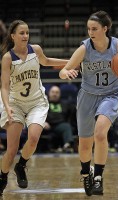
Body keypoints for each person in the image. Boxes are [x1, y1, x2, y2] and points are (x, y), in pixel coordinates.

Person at [59, 10, 118, 196]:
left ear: (105, 28)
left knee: (100, 133)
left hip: (112, 94)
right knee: (85, 144)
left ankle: (99, 177)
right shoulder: (85, 48)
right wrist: (66, 73)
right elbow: (63, 70)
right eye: (88, 29)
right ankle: (86, 173)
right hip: (87, 96)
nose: (90, 32)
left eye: (94, 28)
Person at [0, 20, 69, 195]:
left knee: (33, 138)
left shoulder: (35, 50)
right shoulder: (8, 58)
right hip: (15, 103)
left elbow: (46, 61)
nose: (25, 36)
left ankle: (21, 165)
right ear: (13, 36)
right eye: (21, 33)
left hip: (36, 102)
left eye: (27, 33)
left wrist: (70, 62)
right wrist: (7, 107)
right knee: (11, 150)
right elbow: (5, 86)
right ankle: (2, 176)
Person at [43, 85, 74, 153]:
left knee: (66, 126)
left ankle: (67, 146)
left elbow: (72, 113)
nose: (55, 94)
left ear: (60, 94)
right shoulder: (43, 103)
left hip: (59, 125)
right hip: (46, 124)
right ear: (49, 93)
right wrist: (43, 122)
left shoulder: (65, 104)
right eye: (53, 92)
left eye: (57, 92)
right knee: (35, 126)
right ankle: (26, 146)